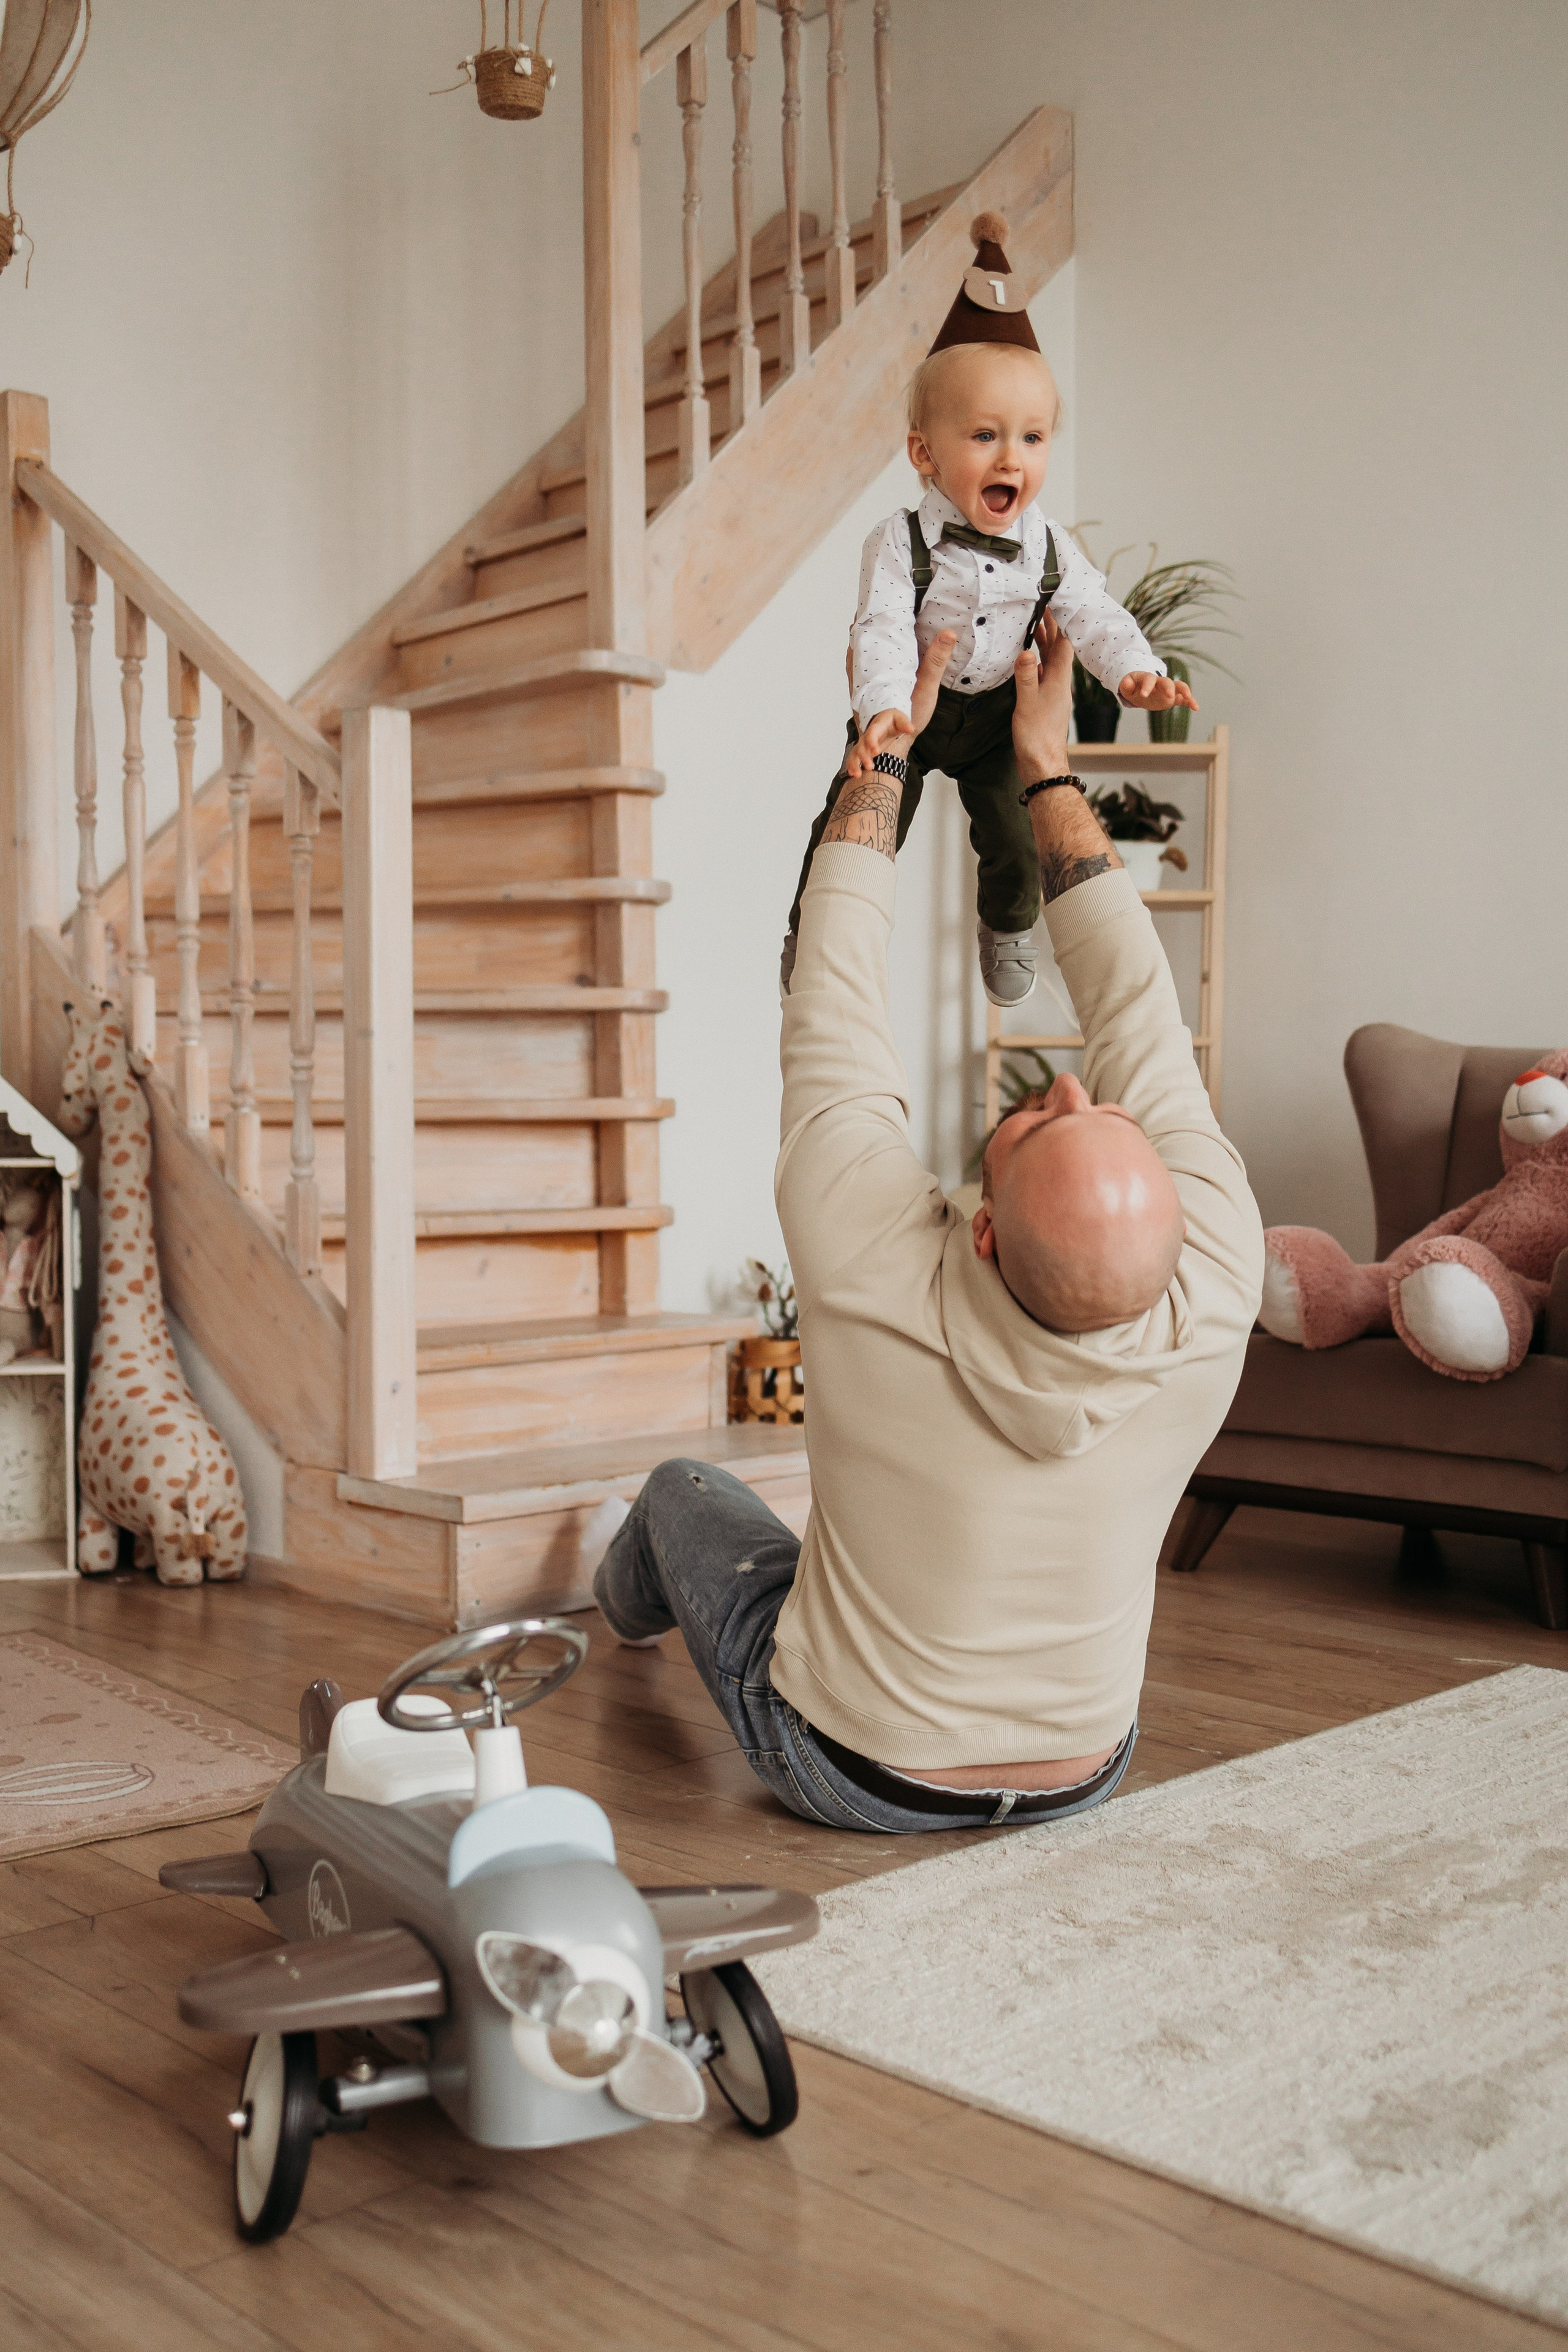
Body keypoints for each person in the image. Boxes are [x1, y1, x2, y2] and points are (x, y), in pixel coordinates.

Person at [595, 614, 1263, 1835]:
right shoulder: (1216, 1277)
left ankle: (616, 1610)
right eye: (1092, 1110)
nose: (1067, 1087)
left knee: (683, 1488)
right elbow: (1139, 1016)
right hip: (1082, 1765)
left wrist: (882, 750)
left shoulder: (868, 1267)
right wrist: (1046, 766)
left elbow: (832, 994)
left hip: (848, 1771)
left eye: (1043, 1126)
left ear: (987, 1237)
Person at [779, 209, 1196, 1012]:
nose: (1012, 456)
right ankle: (811, 923)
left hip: (1002, 712)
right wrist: (884, 710)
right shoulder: (898, 539)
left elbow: (1094, 612)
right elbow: (878, 626)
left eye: (1033, 438)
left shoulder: (1050, 545)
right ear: (924, 454)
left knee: (1011, 835)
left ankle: (1007, 925)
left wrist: (1136, 672)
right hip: (911, 702)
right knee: (859, 813)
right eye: (984, 435)